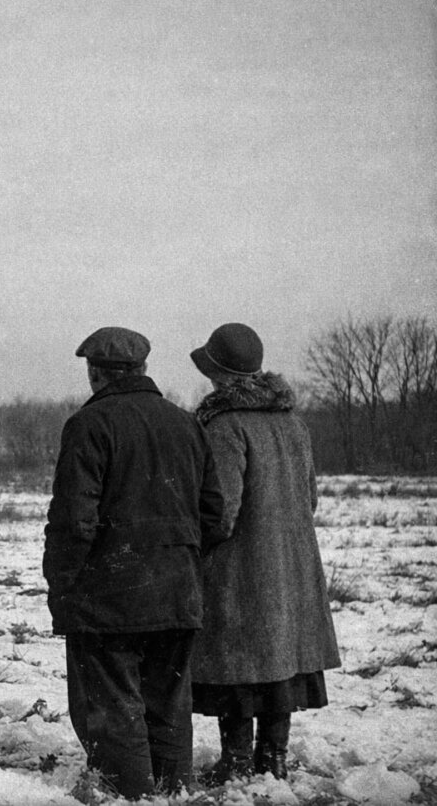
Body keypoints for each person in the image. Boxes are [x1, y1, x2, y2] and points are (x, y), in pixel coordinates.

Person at [44, 327, 225, 798]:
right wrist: (179, 562)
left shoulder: (89, 425)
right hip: (178, 593)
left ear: (95, 373)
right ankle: (173, 791)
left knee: (112, 704)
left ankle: (131, 795)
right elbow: (214, 516)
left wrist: (62, 586)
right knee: (168, 702)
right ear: (142, 369)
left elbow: (73, 521)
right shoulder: (188, 425)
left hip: (109, 599)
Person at [188, 323, 341, 783]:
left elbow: (222, 509)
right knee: (280, 667)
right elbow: (310, 498)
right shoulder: (293, 422)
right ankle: (273, 759)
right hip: (291, 567)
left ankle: (235, 763)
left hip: (242, 570)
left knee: (237, 666)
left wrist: (199, 549)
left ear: (220, 375)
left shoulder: (224, 424)